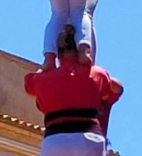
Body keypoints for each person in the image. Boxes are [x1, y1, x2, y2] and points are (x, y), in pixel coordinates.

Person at [25, 26, 123, 155]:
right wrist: (89, 63)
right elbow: (117, 88)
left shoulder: (42, 79)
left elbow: (28, 85)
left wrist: (47, 62)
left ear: (58, 53)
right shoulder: (96, 74)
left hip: (55, 139)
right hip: (89, 136)